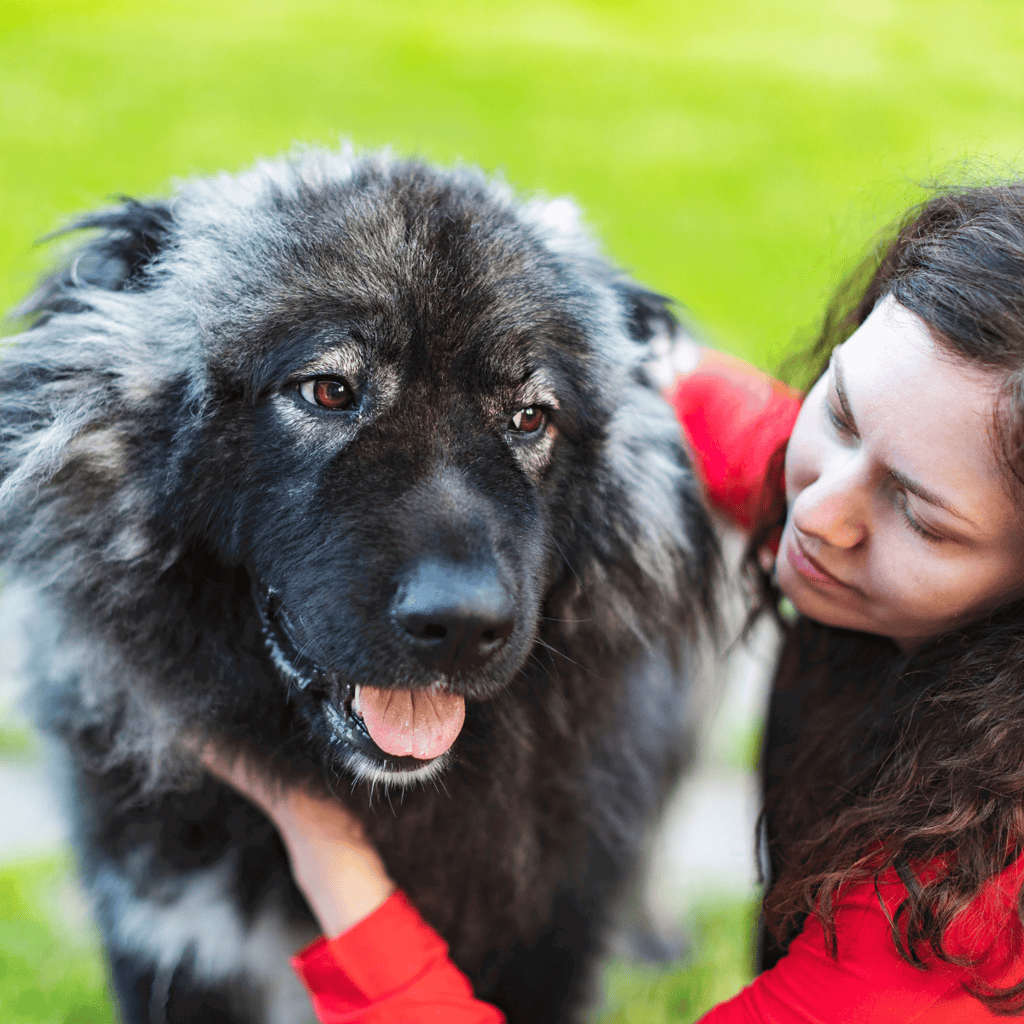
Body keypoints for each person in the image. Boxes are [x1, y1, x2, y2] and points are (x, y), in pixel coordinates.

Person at [201, 182, 1024, 1022]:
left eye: (918, 514)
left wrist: (327, 850)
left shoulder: (968, 919)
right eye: (843, 414)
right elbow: (719, 410)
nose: (813, 510)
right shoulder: (848, 490)